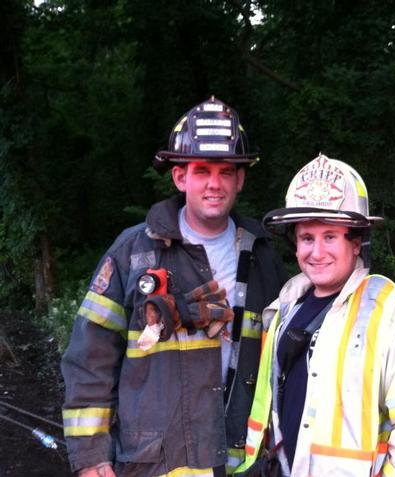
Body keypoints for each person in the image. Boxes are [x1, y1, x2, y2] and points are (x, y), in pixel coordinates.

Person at [61, 96, 288, 477]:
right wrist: (91, 456)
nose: (214, 184)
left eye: (226, 172)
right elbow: (90, 357)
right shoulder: (133, 253)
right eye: (202, 171)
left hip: (241, 461)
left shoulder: (262, 253)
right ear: (180, 177)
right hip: (154, 461)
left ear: (240, 179)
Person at [235, 153, 395, 477]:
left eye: (330, 237)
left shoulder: (392, 319)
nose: (316, 252)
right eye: (307, 238)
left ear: (356, 243)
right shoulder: (284, 309)